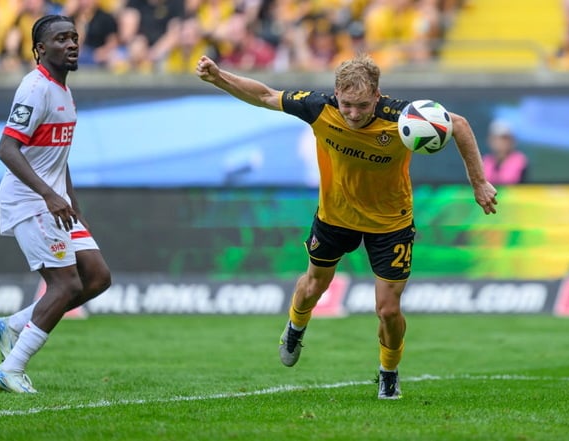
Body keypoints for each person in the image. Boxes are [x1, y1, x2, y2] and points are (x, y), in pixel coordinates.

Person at [196, 52, 498, 400]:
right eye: (347, 105)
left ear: (378, 95)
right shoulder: (317, 107)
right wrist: (219, 78)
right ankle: (295, 327)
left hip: (390, 223)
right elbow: (265, 95)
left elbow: (458, 124)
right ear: (336, 94)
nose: (353, 114)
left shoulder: (402, 116)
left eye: (362, 105)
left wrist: (478, 183)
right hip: (334, 218)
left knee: (388, 309)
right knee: (313, 287)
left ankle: (388, 372)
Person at [0, 14, 112, 393]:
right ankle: (11, 367)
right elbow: (6, 149)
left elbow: (58, 155)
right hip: (30, 200)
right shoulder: (35, 89)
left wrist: (71, 202)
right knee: (65, 286)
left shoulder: (63, 89)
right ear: (40, 49)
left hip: (55, 203)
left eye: (74, 37)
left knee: (97, 277)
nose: (71, 44)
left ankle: (12, 325)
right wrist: (49, 194)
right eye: (60, 39)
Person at [482, 119, 528, 185]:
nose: (499, 142)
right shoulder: (486, 160)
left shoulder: (519, 160)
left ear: (512, 141)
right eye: (495, 138)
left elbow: (509, 180)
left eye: (504, 138)